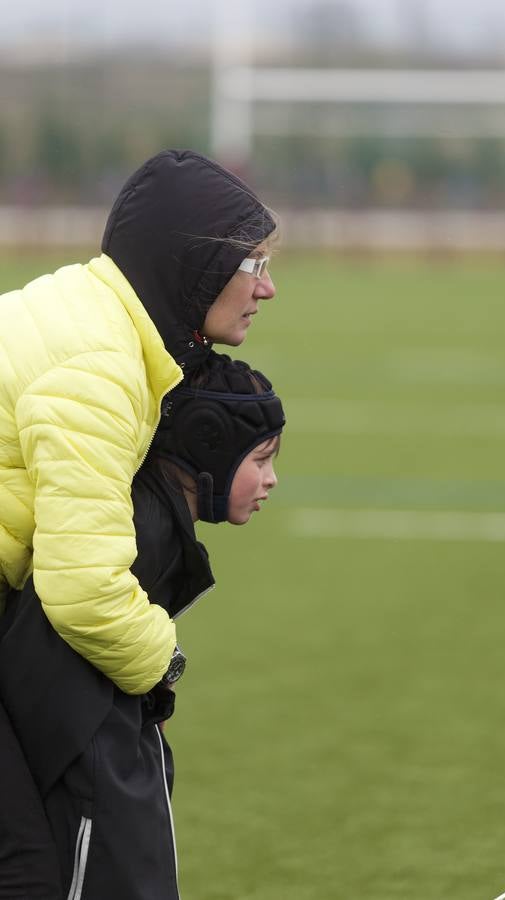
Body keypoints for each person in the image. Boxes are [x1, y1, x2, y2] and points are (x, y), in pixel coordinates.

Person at [0, 149, 277, 896]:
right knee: (27, 873)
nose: (268, 287)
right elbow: (84, 591)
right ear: (190, 264)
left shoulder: (98, 319)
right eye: (252, 262)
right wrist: (165, 661)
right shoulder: (100, 364)